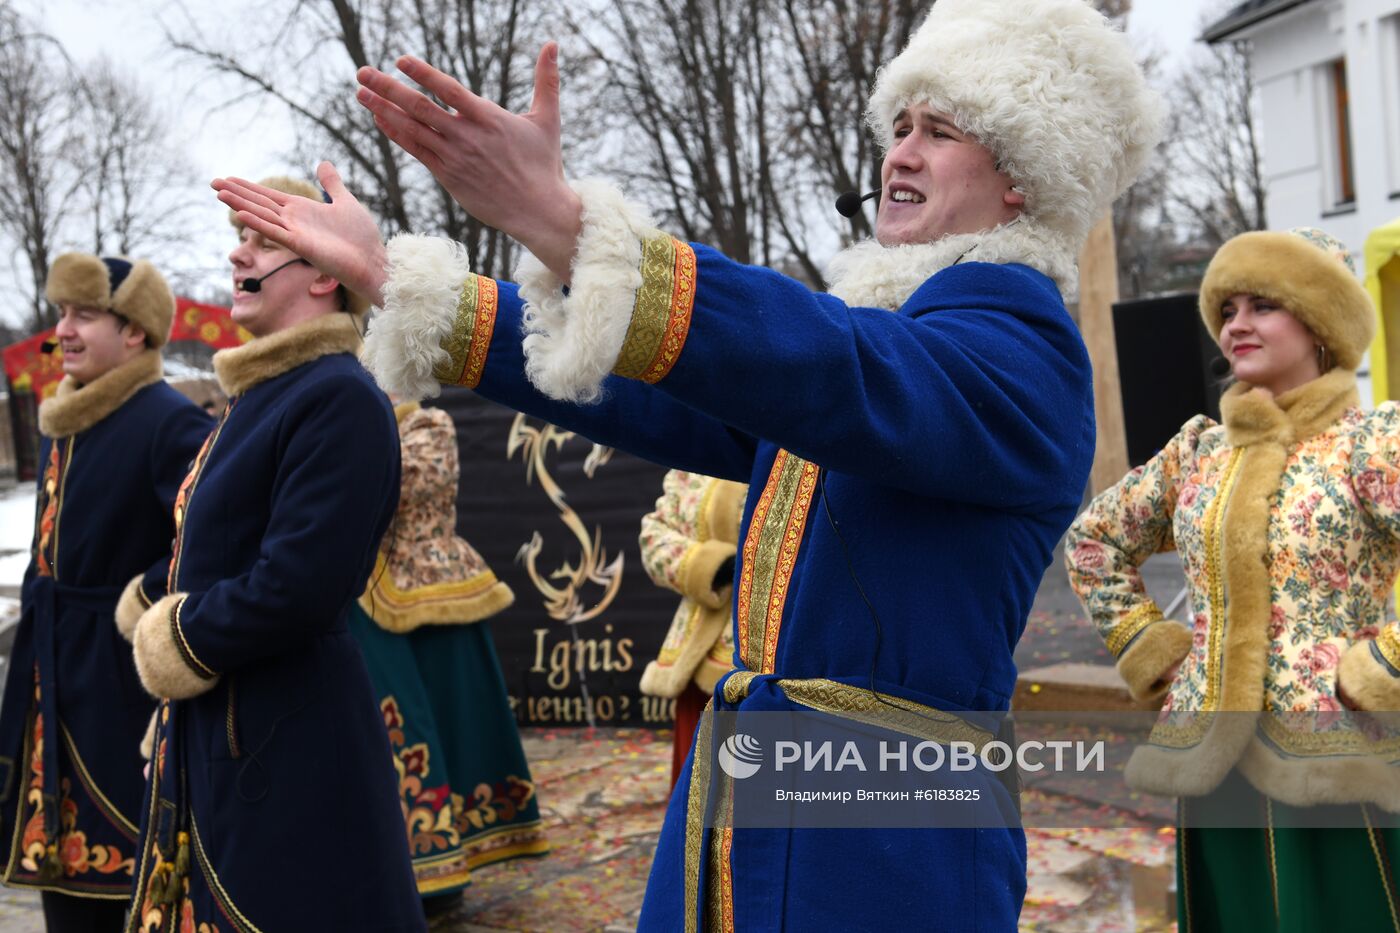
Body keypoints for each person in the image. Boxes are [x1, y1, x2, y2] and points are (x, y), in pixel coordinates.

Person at [213, 0, 1162, 927]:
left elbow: (833, 366)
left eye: (941, 131)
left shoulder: (1023, 351)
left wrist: (565, 221)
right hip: (749, 804)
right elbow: (655, 392)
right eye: (899, 123)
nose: (899, 151)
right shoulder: (897, 344)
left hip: (888, 838)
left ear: (1023, 180)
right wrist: (403, 285)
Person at [1065, 227, 1400, 931]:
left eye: (1263, 305)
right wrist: (1151, 647)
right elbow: (1093, 541)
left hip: (1339, 764)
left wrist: (1380, 666)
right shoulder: (1197, 451)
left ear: (1320, 322)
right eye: (1227, 308)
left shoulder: (1373, 443)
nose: (1236, 323)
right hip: (1211, 764)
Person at [119, 177, 424, 931]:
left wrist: (175, 637)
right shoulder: (262, 396)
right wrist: (159, 598)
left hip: (290, 749)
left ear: (324, 274)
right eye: (238, 237)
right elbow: (213, 551)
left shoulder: (339, 396)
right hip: (231, 732)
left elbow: (300, 583)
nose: (236, 253)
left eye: (260, 241)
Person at [0, 253, 212, 931]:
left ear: (136, 333)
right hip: (52, 676)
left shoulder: (165, 420)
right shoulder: (66, 418)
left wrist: (140, 601)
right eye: (61, 313)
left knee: (128, 877)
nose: (63, 328)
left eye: (84, 314)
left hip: (119, 686)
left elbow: (210, 539)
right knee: (59, 874)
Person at [349, 397, 547, 909]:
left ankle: (439, 871)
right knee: (389, 735)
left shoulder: (425, 423)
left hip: (430, 601)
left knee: (437, 729)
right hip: (354, 605)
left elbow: (391, 487)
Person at [637, 470, 744, 789]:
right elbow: (653, 535)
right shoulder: (695, 464)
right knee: (697, 795)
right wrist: (709, 566)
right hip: (698, 658)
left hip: (769, 653)